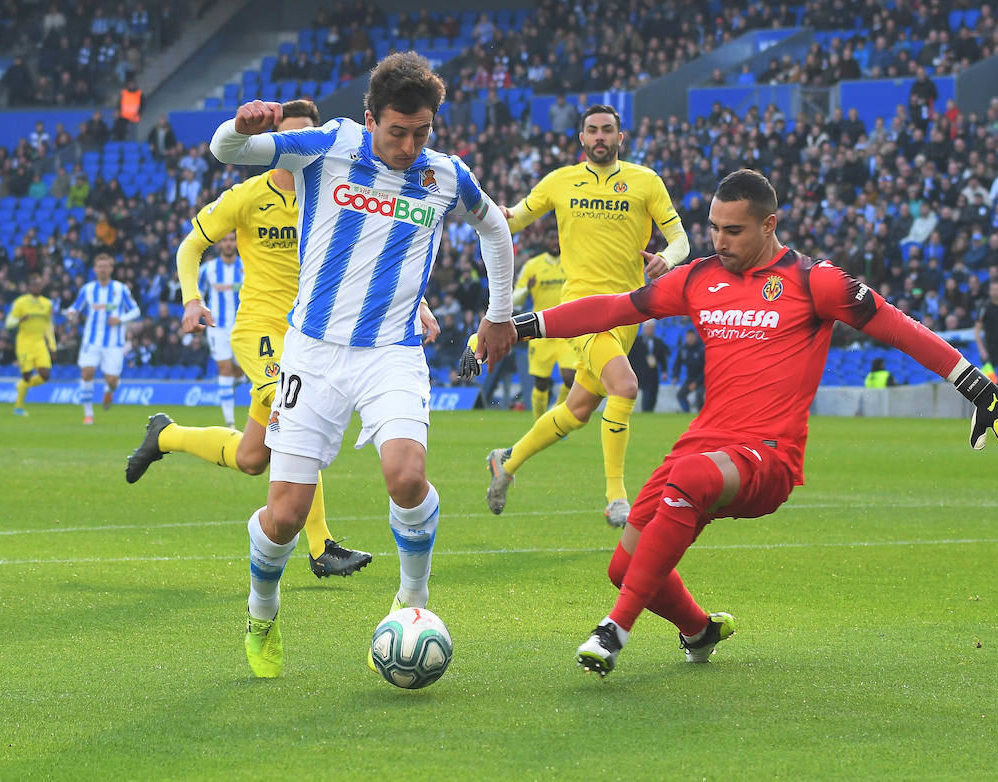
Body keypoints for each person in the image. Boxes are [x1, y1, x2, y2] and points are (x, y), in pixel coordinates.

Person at [500, 169, 998, 677]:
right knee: (627, 569)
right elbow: (612, 310)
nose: (719, 240)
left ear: (769, 225)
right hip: (704, 445)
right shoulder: (699, 279)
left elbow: (900, 328)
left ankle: (613, 630)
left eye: (733, 231)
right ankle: (700, 630)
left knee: (684, 486)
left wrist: (977, 386)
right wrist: (517, 326)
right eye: (713, 227)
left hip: (769, 455)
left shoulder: (814, 282)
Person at [208, 53, 516, 678]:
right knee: (287, 514)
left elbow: (496, 230)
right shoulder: (331, 146)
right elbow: (227, 153)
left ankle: (414, 600)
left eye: (421, 131)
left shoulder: (445, 176)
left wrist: (499, 312)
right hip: (312, 354)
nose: (408, 145)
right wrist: (241, 124)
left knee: (406, 477)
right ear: (371, 118)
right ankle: (262, 611)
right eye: (397, 131)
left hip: (392, 352)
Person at [125, 100, 410, 581]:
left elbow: (369, 257)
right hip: (259, 328)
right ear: (276, 142)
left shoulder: (336, 195)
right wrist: (191, 299)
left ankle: (165, 435)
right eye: (292, 139)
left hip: (311, 333)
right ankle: (322, 547)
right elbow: (191, 244)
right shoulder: (246, 195)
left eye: (310, 140)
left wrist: (415, 304)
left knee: (252, 458)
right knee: (296, 413)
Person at [482, 103, 690, 527]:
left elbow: (681, 239)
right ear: (581, 139)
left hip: (629, 312)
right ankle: (616, 497)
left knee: (577, 410)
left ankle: (506, 460)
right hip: (583, 310)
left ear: (620, 137)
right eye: (592, 130)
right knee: (626, 386)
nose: (600, 137)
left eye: (607, 130)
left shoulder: (645, 181)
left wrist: (668, 259)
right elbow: (515, 219)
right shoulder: (561, 181)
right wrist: (491, 213)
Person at [65, 253, 140, 424]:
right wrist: (71, 313)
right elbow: (75, 307)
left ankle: (109, 390)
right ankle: (88, 414)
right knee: (87, 372)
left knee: (112, 381)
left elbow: (136, 311)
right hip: (91, 341)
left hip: (114, 343)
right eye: (100, 266)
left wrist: (120, 319)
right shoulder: (88, 289)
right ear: (95, 269)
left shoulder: (121, 289)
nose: (103, 269)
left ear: (111, 269)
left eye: (106, 266)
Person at [511, 234, 574, 418]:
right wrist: (527, 289)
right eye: (551, 239)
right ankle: (540, 424)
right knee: (541, 383)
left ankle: (555, 417)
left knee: (570, 378)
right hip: (541, 330)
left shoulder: (572, 263)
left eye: (557, 240)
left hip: (568, 330)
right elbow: (515, 300)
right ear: (545, 241)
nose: (554, 242)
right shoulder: (532, 266)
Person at [197, 231, 245, 427]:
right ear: (219, 244)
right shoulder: (208, 269)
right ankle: (230, 423)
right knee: (224, 368)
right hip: (217, 327)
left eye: (231, 240)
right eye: (224, 240)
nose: (228, 244)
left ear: (236, 242)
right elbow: (196, 291)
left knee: (241, 374)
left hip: (243, 326)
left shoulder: (246, 266)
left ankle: (234, 383)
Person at [5, 273, 56, 416]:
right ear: (29, 286)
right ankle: (18, 408)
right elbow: (8, 323)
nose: (37, 287)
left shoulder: (47, 304)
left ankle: (21, 386)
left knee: (45, 375)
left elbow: (48, 325)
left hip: (39, 343)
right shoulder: (20, 302)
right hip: (24, 343)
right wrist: (19, 320)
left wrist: (52, 345)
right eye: (34, 284)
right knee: (27, 375)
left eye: (39, 284)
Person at [626, 320, 669, 412]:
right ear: (644, 329)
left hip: (653, 373)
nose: (650, 330)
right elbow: (630, 357)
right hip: (639, 372)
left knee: (653, 393)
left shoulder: (658, 342)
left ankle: (650, 411)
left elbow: (662, 358)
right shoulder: (636, 341)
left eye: (652, 328)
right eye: (648, 328)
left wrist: (664, 371)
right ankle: (645, 410)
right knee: (646, 393)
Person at [673, 328, 704, 412]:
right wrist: (675, 376)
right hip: (690, 378)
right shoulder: (683, 349)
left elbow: (706, 369)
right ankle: (686, 413)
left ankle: (701, 414)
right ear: (686, 337)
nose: (690, 339)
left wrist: (696, 383)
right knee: (680, 395)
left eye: (692, 337)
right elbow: (677, 363)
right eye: (688, 337)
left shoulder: (701, 349)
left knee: (699, 395)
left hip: (703, 378)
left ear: (695, 337)